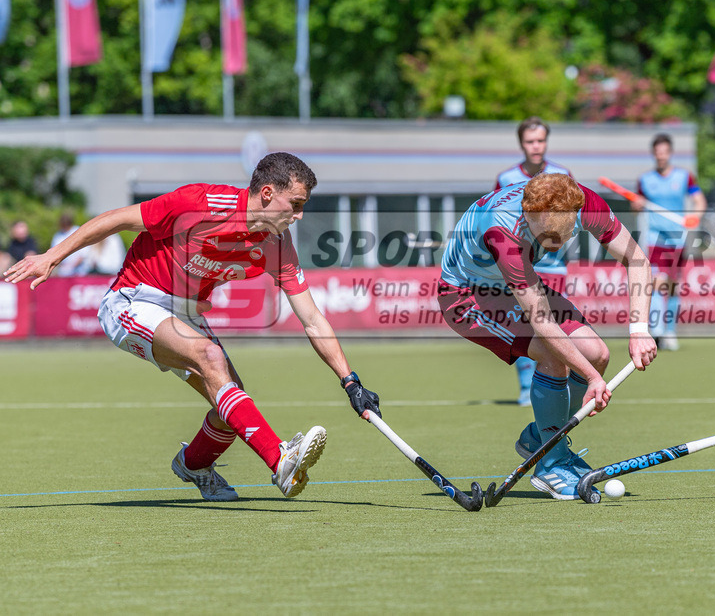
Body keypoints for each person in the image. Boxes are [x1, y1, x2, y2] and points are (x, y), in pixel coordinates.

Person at [3, 153, 381, 501]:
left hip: (186, 314)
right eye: (295, 205)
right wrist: (52, 257)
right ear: (267, 193)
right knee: (210, 356)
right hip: (134, 299)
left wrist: (350, 381)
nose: (298, 215)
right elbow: (117, 218)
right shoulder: (199, 205)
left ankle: (194, 464)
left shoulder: (277, 245)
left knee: (232, 404)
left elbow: (313, 319)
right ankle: (280, 460)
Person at [437, 173, 657, 500]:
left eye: (562, 236)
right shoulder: (504, 233)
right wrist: (593, 379)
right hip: (468, 296)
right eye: (547, 237)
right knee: (554, 355)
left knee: (596, 353)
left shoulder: (582, 202)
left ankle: (538, 439)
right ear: (529, 217)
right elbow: (542, 323)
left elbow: (636, 259)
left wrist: (639, 331)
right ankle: (551, 465)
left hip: (513, 286)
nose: (554, 244)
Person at [495, 116, 574, 406]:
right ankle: (527, 387)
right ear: (521, 144)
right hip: (519, 267)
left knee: (556, 327)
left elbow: (570, 218)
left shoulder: (562, 174)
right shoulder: (506, 179)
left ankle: (554, 386)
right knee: (524, 326)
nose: (536, 146)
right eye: (530, 141)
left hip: (554, 265)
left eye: (540, 140)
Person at [633, 133, 706, 351]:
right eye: (658, 152)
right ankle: (656, 329)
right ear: (654, 154)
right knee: (656, 282)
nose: (661, 156)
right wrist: (637, 204)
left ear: (670, 153)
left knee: (673, 287)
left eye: (665, 152)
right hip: (655, 237)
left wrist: (696, 216)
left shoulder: (684, 177)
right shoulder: (645, 180)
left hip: (677, 237)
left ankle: (670, 330)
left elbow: (699, 200)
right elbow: (637, 204)